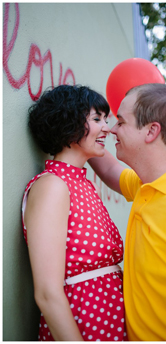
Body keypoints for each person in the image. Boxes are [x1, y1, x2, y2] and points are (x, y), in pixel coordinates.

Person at [22, 85, 126, 341]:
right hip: (84, 320)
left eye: (106, 119)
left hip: (107, 316)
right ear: (69, 123)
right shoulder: (52, 186)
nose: (108, 127)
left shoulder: (78, 183)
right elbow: (47, 293)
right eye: (97, 119)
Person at [88, 83, 166, 341]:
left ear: (151, 131)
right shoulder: (144, 184)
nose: (111, 129)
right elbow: (111, 171)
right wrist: (81, 134)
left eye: (120, 122)